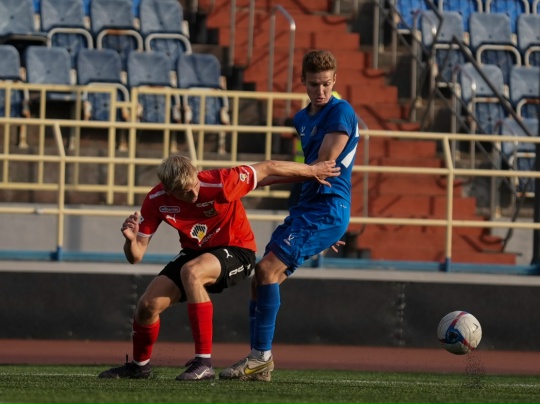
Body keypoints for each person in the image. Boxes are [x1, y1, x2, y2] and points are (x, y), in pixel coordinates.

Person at [98, 154, 340, 381]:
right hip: (195, 253)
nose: (194, 193)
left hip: (237, 250)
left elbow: (268, 168)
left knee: (191, 271)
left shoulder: (220, 182)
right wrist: (130, 241)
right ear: (168, 190)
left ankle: (203, 363)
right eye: (185, 192)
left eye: (194, 185)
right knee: (147, 306)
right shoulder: (155, 200)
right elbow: (136, 256)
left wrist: (312, 170)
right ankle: (139, 367)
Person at [219, 50, 360, 382]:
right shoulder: (301, 119)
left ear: (335, 80)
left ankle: (260, 358)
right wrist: (262, 179)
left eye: (326, 84)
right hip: (309, 210)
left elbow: (321, 169)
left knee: (267, 269)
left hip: (326, 208)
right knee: (259, 281)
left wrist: (266, 174)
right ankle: (259, 361)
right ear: (302, 82)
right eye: (313, 84)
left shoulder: (341, 112)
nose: (320, 91)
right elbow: (307, 170)